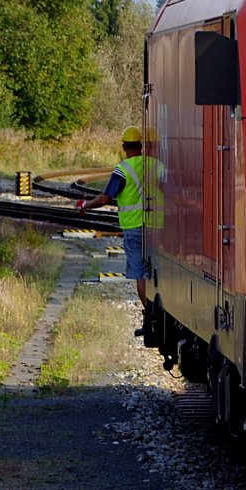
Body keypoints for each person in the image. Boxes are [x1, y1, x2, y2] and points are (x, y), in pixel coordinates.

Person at [76, 125, 153, 341]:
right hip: (157, 227)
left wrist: (85, 205)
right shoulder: (155, 165)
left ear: (124, 146)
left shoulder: (123, 169)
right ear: (141, 145)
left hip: (134, 228)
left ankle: (149, 318)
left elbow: (105, 199)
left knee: (140, 273)